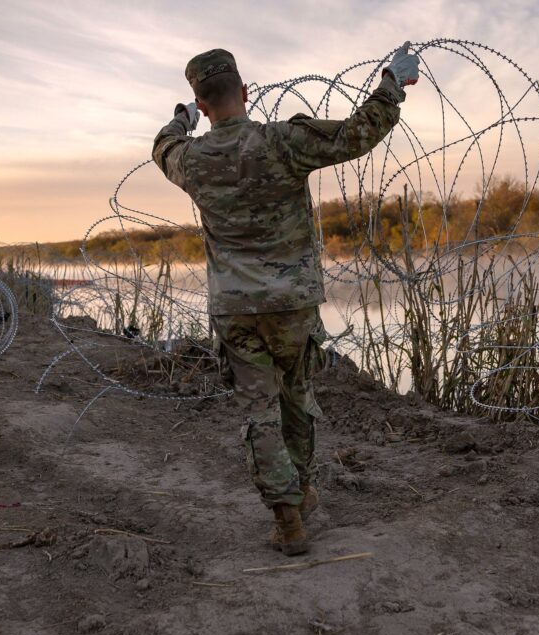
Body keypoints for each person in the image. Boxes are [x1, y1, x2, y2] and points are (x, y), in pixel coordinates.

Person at [152, 44, 420, 556]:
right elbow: (357, 133)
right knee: (296, 397)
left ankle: (288, 517)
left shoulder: (191, 159)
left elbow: (162, 145)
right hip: (292, 304)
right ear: (246, 92)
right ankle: (303, 487)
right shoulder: (282, 142)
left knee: (259, 411)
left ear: (202, 105)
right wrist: (391, 84)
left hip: (235, 310)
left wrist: (179, 119)